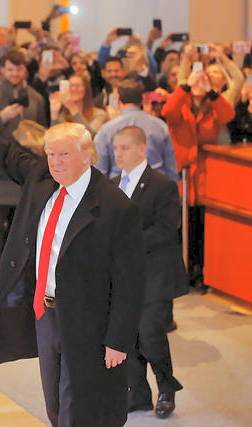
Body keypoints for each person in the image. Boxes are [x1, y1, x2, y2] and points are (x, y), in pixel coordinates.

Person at [0, 74, 146, 427]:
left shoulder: (116, 207)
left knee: (79, 407)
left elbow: (130, 283)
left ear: (87, 157)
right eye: (51, 154)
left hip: (88, 321)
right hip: (46, 314)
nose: (56, 162)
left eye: (64, 155)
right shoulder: (41, 179)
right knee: (55, 405)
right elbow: (5, 153)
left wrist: (119, 341)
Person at [112, 126, 188, 419]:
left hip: (156, 273)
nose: (118, 154)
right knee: (128, 333)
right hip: (124, 275)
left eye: (124, 148)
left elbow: (166, 229)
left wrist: (125, 243)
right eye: (115, 148)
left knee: (150, 332)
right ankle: (139, 393)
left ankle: (167, 388)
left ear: (141, 149)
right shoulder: (112, 184)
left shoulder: (162, 184)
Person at [0, 48, 48, 293]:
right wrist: (2, 117)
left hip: (27, 169)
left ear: (25, 70)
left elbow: (42, 128)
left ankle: (22, 276)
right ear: (2, 70)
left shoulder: (35, 97)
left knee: (25, 227)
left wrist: (40, 144)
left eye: (19, 69)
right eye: (10, 69)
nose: (15, 74)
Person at [161, 67, 235, 284]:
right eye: (196, 80)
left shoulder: (213, 106)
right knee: (182, 225)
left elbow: (228, 115)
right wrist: (185, 86)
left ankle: (201, 272)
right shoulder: (180, 103)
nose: (198, 83)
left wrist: (211, 92)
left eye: (203, 80)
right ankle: (180, 272)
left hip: (205, 175)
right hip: (182, 174)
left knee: (202, 226)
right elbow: (168, 112)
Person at [95, 79, 179, 181]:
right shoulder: (160, 126)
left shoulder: (106, 130)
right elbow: (171, 169)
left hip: (120, 187)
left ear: (118, 99)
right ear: (142, 100)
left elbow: (100, 172)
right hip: (155, 186)